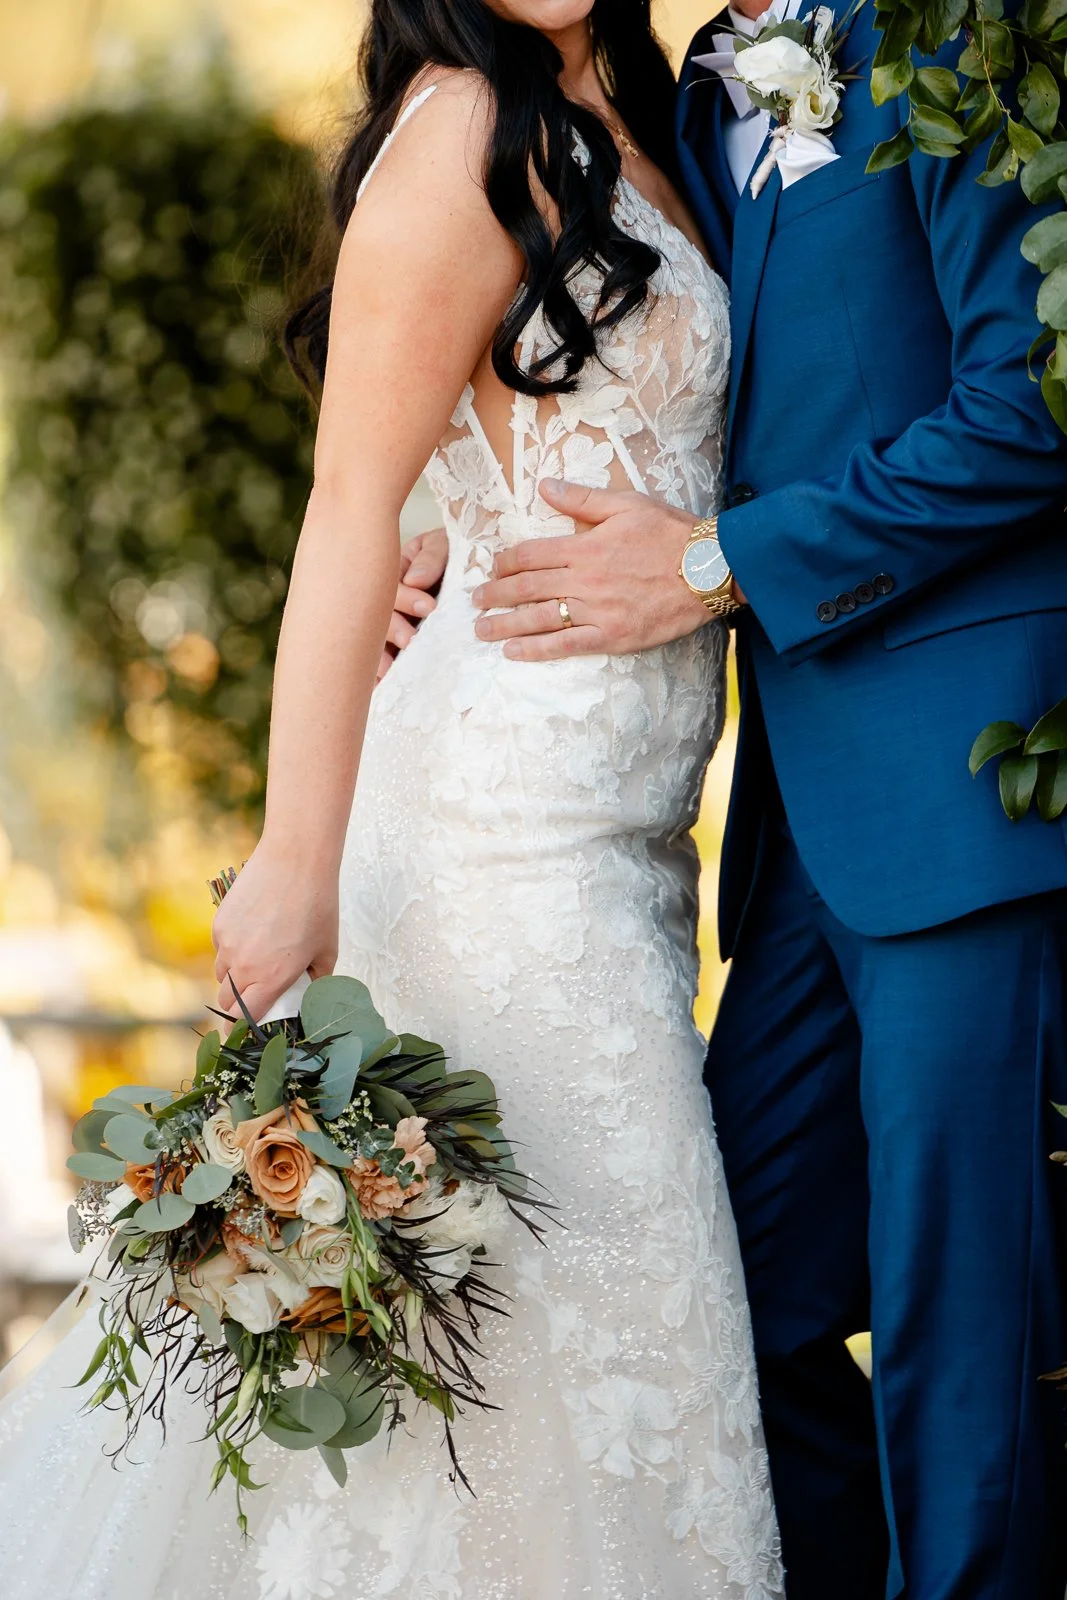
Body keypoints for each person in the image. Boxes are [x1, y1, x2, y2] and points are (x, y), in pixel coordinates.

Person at [0, 4, 784, 1597]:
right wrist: (293, 863)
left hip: (619, 849)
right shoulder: (456, 134)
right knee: (512, 1334)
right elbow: (346, 505)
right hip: (490, 851)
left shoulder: (649, 113)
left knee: (590, 1331)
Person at [393, 0, 1067, 1595]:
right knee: (723, 1317)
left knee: (953, 1331)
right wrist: (445, 529)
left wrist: (711, 568)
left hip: (963, 795)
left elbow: (1036, 397)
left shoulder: (961, 39)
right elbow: (637, 377)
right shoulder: (687, 95)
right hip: (790, 837)